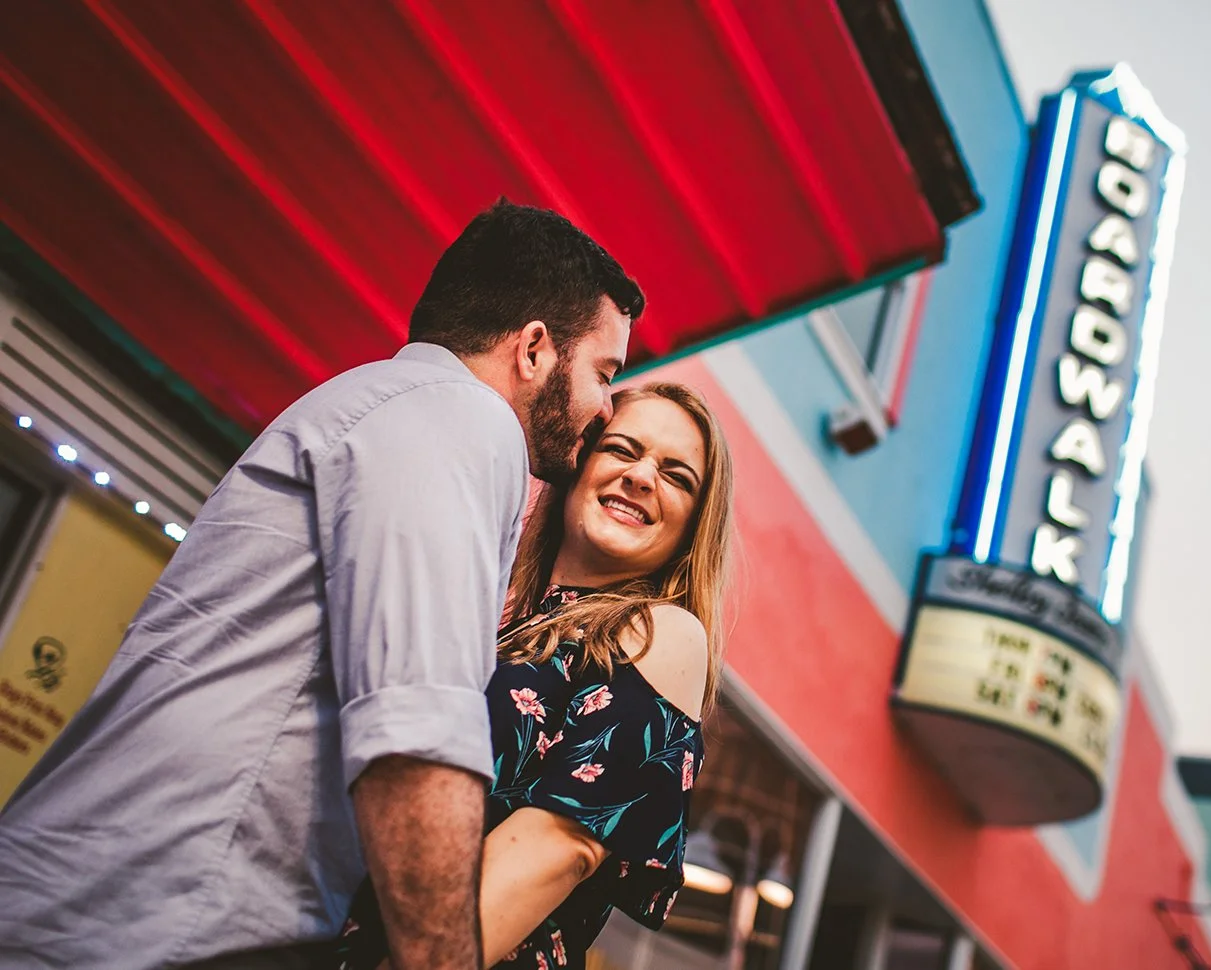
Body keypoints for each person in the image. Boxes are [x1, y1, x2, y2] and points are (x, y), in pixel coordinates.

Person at [0, 200, 644, 970]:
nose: (605, 408)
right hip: (165, 928)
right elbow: (416, 727)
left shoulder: (381, 404)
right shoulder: (461, 418)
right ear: (535, 349)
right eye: (604, 373)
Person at [333, 381, 734, 970]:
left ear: (693, 526)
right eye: (622, 449)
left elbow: (562, 845)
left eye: (677, 477)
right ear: (578, 466)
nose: (642, 476)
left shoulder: (664, 631)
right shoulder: (510, 622)